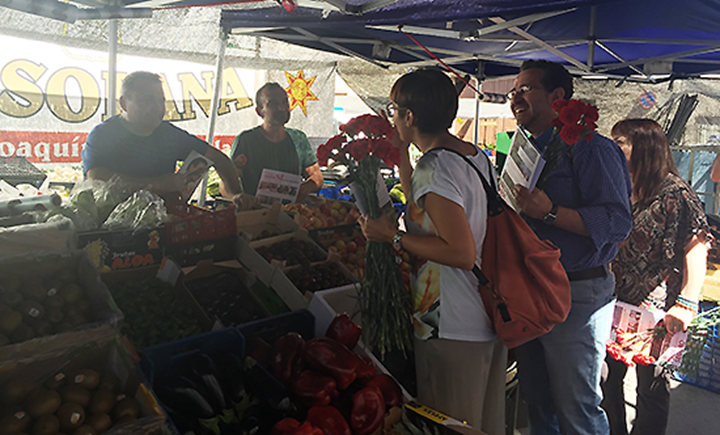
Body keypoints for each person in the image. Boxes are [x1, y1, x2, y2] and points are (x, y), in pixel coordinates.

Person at [359, 69, 507, 435]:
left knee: (450, 425)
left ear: (409, 117)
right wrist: (401, 154)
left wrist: (391, 237)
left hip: (451, 324)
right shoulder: (471, 156)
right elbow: (422, 204)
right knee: (482, 425)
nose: (391, 116)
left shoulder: (436, 166)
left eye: (393, 109)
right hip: (483, 315)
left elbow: (459, 251)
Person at [509, 60, 633, 435]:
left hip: (577, 292)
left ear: (558, 96)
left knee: (576, 406)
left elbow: (617, 223)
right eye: (514, 91)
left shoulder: (592, 148)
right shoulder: (527, 149)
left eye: (526, 89)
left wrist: (549, 213)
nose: (515, 97)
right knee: (536, 397)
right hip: (530, 287)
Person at [601, 119, 710, 435]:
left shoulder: (675, 192)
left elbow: (697, 246)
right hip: (618, 303)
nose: (614, 147)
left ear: (645, 146)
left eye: (621, 141)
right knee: (608, 378)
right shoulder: (625, 186)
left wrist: (687, 303)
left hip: (660, 311)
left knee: (651, 390)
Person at [82, 71, 243, 204]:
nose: (158, 108)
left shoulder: (170, 134)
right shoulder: (104, 135)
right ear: (123, 103)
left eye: (161, 100)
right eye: (148, 100)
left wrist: (236, 195)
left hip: (163, 225)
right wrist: (157, 184)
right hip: (112, 229)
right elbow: (97, 179)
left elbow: (219, 159)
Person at [230, 82, 323, 201]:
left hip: (293, 215)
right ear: (260, 111)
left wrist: (305, 187)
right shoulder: (246, 141)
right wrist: (237, 197)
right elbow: (226, 184)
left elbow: (317, 177)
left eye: (284, 102)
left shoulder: (299, 139)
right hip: (256, 215)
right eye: (273, 104)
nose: (281, 107)